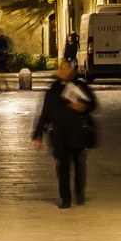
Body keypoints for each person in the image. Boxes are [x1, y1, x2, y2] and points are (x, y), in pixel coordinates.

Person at [31, 58, 98, 208]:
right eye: (61, 68)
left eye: (67, 68)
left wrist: (82, 107)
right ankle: (65, 199)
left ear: (72, 70)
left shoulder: (80, 86)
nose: (64, 71)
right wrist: (38, 135)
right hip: (59, 135)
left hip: (77, 133)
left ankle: (79, 193)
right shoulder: (52, 91)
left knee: (79, 165)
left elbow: (93, 105)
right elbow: (45, 114)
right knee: (62, 167)